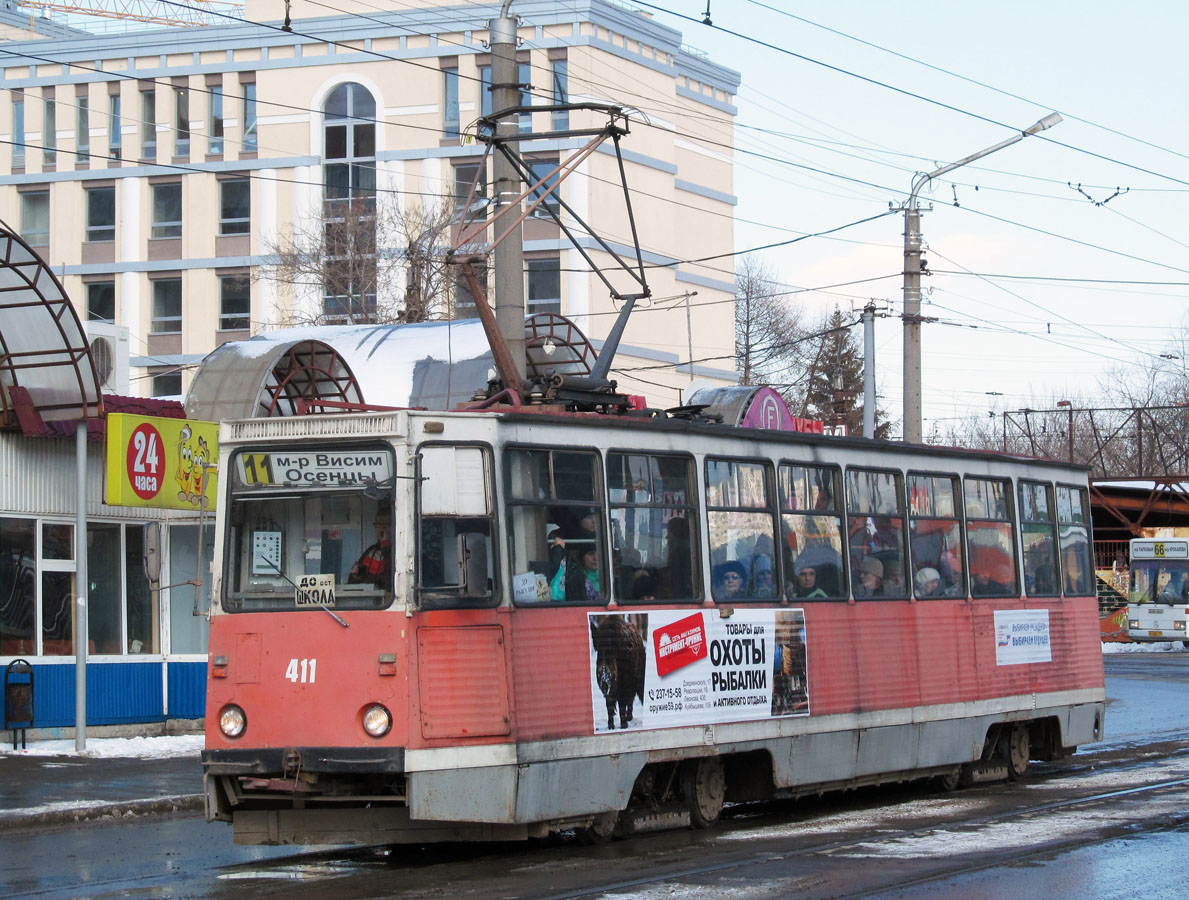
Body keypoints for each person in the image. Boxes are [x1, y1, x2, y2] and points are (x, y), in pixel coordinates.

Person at [349, 510, 392, 589]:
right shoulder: (371, 551)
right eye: (378, 525)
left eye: (386, 525)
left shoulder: (398, 551)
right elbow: (352, 584)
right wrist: (355, 575)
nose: (382, 529)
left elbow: (390, 578)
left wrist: (386, 545)